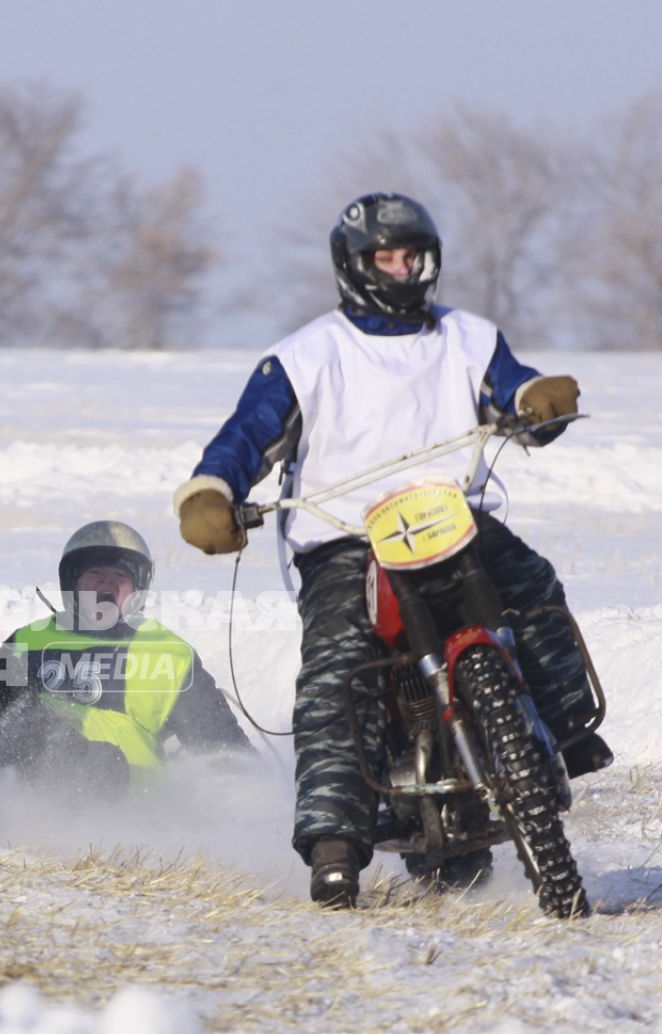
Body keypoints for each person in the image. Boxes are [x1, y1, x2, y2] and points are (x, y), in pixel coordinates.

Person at [172, 192, 611, 908]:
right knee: (338, 672)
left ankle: (566, 731)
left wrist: (538, 400)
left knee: (531, 584)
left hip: (450, 519)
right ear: (353, 266)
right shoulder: (304, 356)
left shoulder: (468, 336)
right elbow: (241, 441)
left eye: (414, 256)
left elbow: (514, 392)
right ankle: (335, 843)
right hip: (346, 539)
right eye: (387, 258)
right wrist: (210, 496)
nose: (403, 268)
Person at [0, 521, 251, 803]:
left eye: (119, 575)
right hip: (27, 784)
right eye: (95, 573)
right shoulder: (30, 641)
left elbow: (227, 756)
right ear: (73, 584)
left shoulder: (169, 655)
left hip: (125, 797)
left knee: (85, 756)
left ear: (137, 589)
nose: (106, 582)